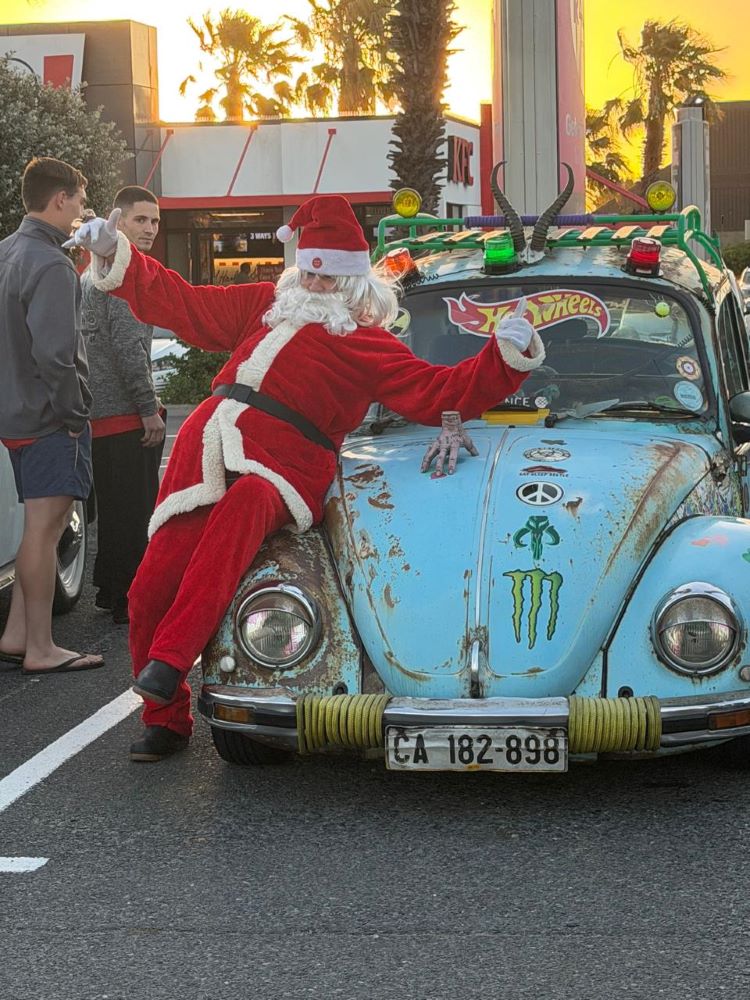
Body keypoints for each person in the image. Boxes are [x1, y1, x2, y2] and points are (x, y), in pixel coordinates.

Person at [68, 194, 544, 760]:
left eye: (328, 277)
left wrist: (504, 358)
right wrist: (116, 254)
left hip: (285, 465)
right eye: (310, 274)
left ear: (352, 283)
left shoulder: (366, 342)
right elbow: (184, 304)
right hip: (208, 456)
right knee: (148, 587)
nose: (315, 286)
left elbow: (437, 392)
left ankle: (170, 661)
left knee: (246, 506)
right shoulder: (262, 305)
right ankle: (165, 720)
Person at [0, 157, 104, 675]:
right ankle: (40, 648)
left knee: (39, 528)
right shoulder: (51, 263)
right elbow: (56, 356)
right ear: (60, 198)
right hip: (48, 418)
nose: (82, 211)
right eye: (80, 201)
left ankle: (18, 635)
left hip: (15, 414)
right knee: (45, 529)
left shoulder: (7, 251)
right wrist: (74, 414)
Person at [81, 186, 166, 624]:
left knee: (115, 511)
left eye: (155, 220)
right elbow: (129, 347)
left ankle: (111, 589)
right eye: (140, 220)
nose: (150, 228)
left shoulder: (95, 269)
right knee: (135, 511)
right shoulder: (120, 271)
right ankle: (131, 600)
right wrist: (148, 408)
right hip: (124, 414)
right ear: (119, 220)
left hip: (100, 413)